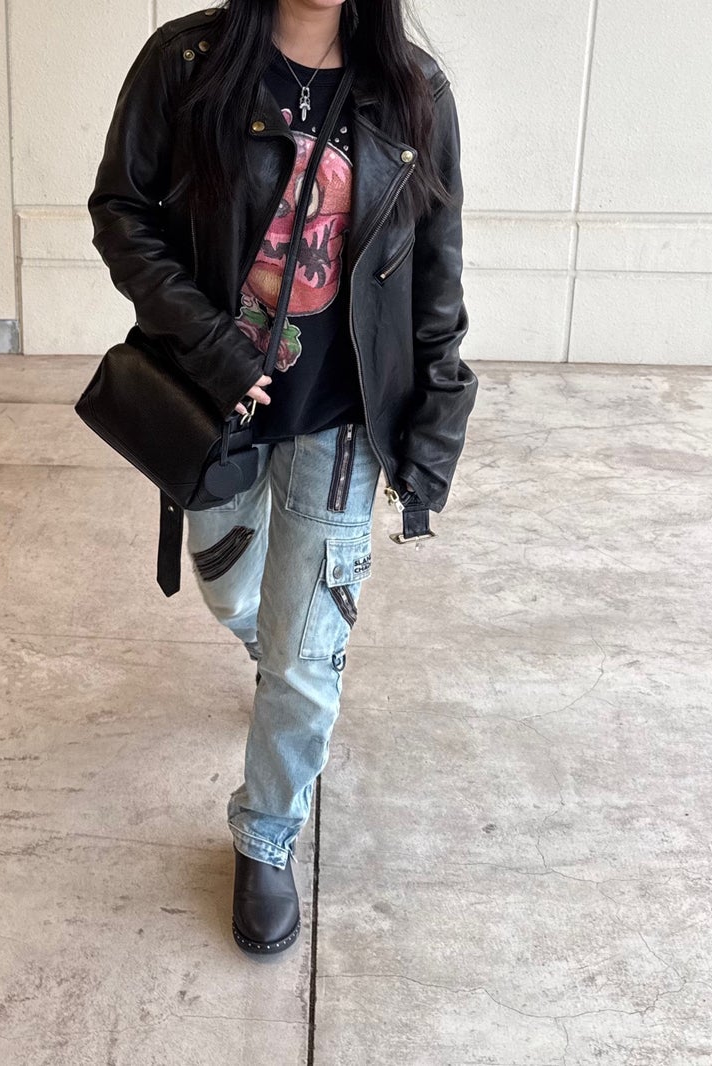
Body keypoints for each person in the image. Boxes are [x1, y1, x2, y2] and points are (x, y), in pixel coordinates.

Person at [87, 0, 478, 958]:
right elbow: (122, 215)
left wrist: (436, 422)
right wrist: (214, 347)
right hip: (214, 403)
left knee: (306, 653)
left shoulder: (414, 92)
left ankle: (266, 834)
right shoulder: (188, 62)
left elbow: (436, 271)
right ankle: (283, 657)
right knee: (232, 591)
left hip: (342, 417)